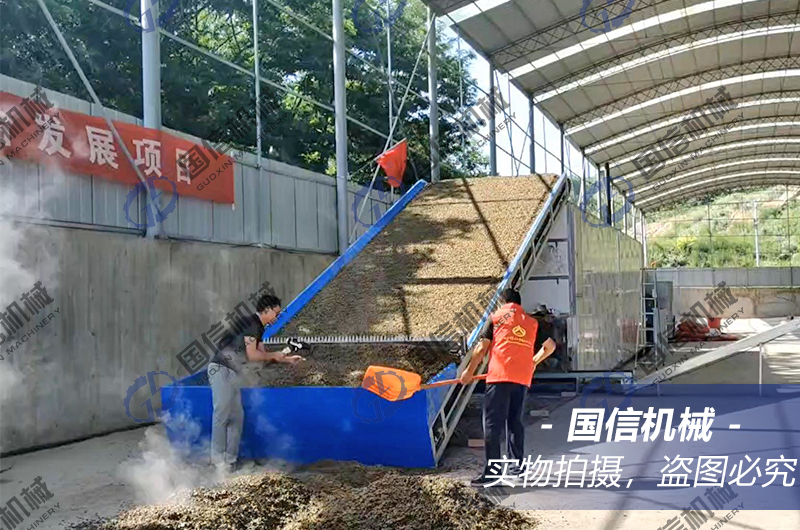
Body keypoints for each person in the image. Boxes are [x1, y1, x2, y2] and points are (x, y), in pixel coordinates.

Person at [459, 288, 556, 486]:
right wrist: (533, 362)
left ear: (502, 302)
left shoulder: (496, 318)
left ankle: (493, 473)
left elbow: (481, 348)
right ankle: (516, 470)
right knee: (515, 423)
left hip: (499, 377)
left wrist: (469, 372)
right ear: (519, 304)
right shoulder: (531, 322)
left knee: (493, 425)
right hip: (521, 379)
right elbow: (550, 347)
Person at [208, 293, 307, 471]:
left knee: (237, 417)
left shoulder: (259, 329)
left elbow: (262, 357)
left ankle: (229, 461)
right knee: (221, 412)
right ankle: (217, 462)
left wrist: (286, 359)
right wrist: (275, 355)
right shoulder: (251, 323)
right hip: (221, 369)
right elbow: (253, 355)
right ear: (266, 310)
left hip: (234, 373)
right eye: (276, 313)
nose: (277, 317)